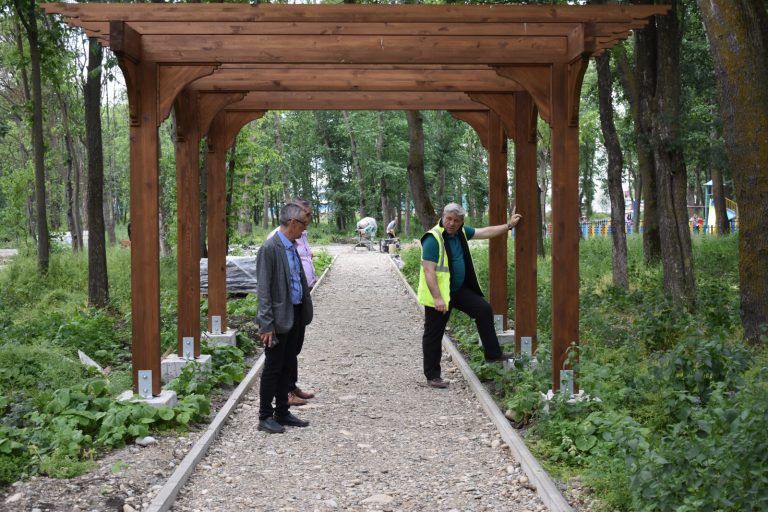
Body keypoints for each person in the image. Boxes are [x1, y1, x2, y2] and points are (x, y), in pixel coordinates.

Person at [417, 203, 522, 388]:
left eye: (456, 221)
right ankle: (433, 376)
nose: (451, 223)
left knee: (483, 309)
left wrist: (509, 226)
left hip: (458, 290)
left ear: (461, 222)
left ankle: (493, 353)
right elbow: (428, 271)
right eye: (448, 219)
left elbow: (485, 232)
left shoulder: (461, 232)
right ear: (443, 217)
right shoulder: (433, 239)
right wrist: (438, 298)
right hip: (440, 295)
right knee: (434, 333)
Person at [255, 203, 314, 434]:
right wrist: (266, 324)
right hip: (278, 320)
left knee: (287, 365)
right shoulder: (270, 248)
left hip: (295, 314)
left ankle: (282, 411)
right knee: (273, 368)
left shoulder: (291, 246)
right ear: (292, 223)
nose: (304, 230)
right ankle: (264, 416)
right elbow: (263, 290)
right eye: (303, 225)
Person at [267, 198, 317, 407]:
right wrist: (267, 321)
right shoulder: (275, 243)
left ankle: (291, 386)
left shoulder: (299, 236)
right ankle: (282, 396)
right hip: (284, 307)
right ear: (293, 218)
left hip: (298, 302)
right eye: (307, 215)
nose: (309, 220)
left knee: (293, 350)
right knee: (280, 358)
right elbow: (267, 285)